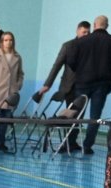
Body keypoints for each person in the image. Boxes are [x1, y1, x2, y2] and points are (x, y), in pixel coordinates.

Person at [66, 15, 111, 156]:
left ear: (94, 25)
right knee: (95, 117)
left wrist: (79, 73)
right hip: (102, 85)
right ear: (107, 26)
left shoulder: (82, 42)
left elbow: (71, 61)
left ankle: (71, 142)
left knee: (77, 114)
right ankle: (87, 145)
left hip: (82, 83)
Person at [37, 20, 91, 153]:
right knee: (71, 115)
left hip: (85, 86)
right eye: (84, 32)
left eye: (88, 32)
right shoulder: (68, 46)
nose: (86, 34)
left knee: (80, 117)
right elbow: (57, 65)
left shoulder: (91, 48)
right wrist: (47, 84)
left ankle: (72, 142)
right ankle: (66, 142)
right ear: (77, 31)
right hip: (69, 86)